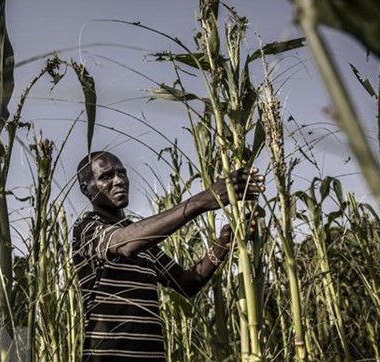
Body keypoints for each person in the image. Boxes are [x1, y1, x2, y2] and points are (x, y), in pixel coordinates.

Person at [72, 151, 265, 362]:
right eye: (106, 177)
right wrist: (202, 201)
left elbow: (186, 283)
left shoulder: (142, 241)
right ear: (86, 189)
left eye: (122, 173)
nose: (118, 181)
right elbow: (124, 244)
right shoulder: (87, 229)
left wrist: (222, 245)